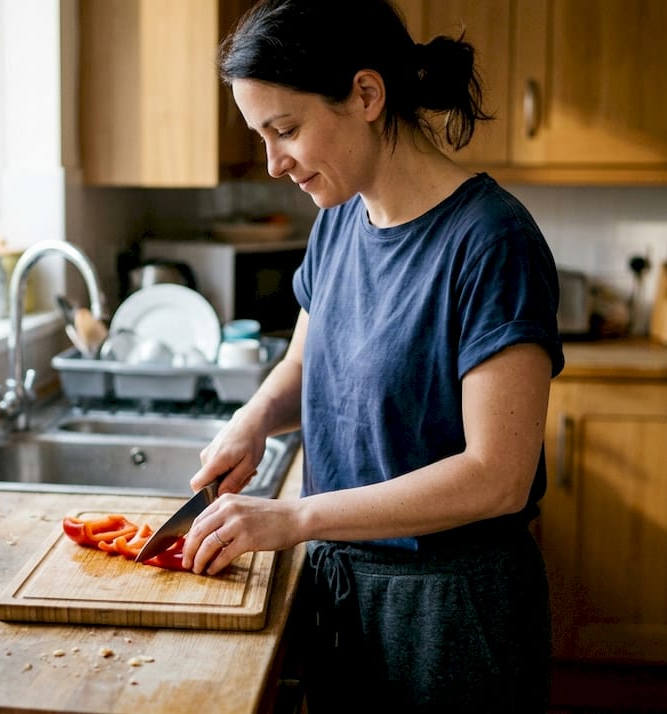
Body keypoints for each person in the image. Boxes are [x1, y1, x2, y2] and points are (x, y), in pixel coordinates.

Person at [179, 1, 564, 711]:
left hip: (453, 616)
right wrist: (254, 417)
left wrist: (297, 517)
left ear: (365, 94)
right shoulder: (338, 224)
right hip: (343, 588)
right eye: (262, 137)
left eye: (286, 130)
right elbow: (302, 365)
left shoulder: (491, 242)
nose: (273, 164)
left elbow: (498, 477)